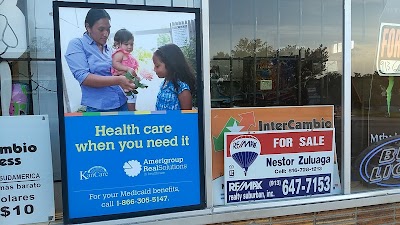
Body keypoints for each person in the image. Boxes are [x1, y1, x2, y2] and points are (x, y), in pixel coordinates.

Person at [64, 8, 135, 112]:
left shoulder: (110, 50)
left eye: (108, 29)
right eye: (101, 29)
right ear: (88, 27)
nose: (106, 34)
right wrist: (119, 80)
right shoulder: (77, 45)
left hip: (122, 103)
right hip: (99, 108)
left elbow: (116, 72)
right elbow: (83, 78)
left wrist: (128, 75)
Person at [152, 43, 196, 110]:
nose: (154, 69)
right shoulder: (165, 84)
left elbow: (186, 117)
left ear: (170, 64)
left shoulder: (182, 89)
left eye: (157, 66)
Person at [111, 29, 140, 111]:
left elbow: (132, 70)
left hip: (126, 79)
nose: (129, 47)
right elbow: (115, 63)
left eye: (131, 44)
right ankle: (132, 112)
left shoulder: (127, 55)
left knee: (132, 95)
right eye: (126, 44)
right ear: (117, 44)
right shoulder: (119, 53)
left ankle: (132, 111)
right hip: (120, 79)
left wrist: (136, 77)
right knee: (131, 96)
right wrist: (127, 69)